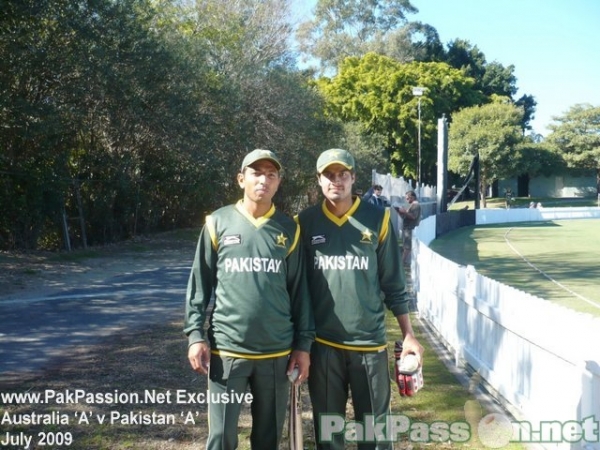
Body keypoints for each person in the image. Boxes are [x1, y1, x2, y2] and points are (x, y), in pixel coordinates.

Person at [184, 149, 314, 450]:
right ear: (241, 179)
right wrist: (194, 334)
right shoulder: (218, 223)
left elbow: (300, 294)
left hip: (276, 353)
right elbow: (199, 284)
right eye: (256, 173)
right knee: (221, 438)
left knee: (268, 438)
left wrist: (303, 346)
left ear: (278, 182)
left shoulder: (289, 229)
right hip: (228, 351)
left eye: (271, 175)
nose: (263, 180)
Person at [296, 148, 424, 450]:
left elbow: (393, 283)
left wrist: (408, 334)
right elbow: (297, 288)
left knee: (375, 436)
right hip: (324, 346)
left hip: (370, 345)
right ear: (318, 180)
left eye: (343, 174)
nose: (336, 181)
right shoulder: (305, 222)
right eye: (329, 175)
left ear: (354, 178)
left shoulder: (377, 219)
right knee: (329, 437)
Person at [395, 190, 421, 264]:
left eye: (407, 198)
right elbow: (405, 217)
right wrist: (400, 212)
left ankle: (401, 263)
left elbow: (413, 217)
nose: (406, 200)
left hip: (410, 228)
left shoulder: (416, 205)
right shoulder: (412, 205)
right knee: (405, 246)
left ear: (412, 197)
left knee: (407, 247)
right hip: (407, 228)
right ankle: (402, 262)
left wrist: (404, 212)